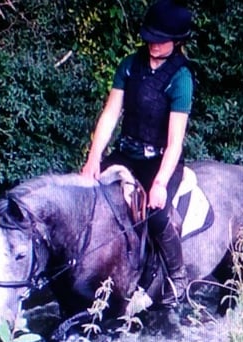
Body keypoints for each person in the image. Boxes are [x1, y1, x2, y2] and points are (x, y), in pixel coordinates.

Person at [80, 0, 194, 308]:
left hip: (159, 159)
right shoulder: (130, 64)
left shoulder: (180, 78)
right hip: (126, 152)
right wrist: (94, 158)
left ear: (177, 40)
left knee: (156, 215)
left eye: (161, 39)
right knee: (91, 196)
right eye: (150, 37)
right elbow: (110, 114)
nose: (153, 44)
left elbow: (175, 141)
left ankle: (177, 276)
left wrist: (159, 182)